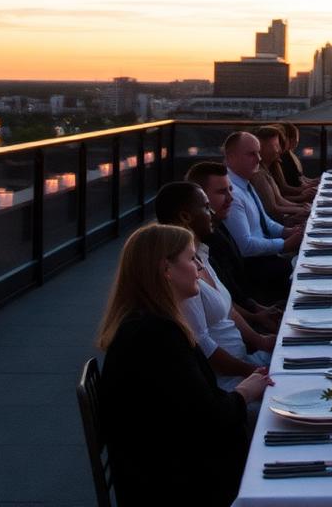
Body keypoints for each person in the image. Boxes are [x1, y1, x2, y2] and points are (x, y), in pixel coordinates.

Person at [97, 223, 270, 507]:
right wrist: (245, 392)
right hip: (179, 481)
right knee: (279, 425)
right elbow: (209, 417)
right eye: (192, 259)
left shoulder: (147, 324)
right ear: (166, 269)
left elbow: (193, 406)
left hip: (166, 464)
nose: (200, 268)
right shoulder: (156, 336)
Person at [152, 182, 275, 389]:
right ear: (185, 216)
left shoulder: (200, 255)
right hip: (228, 384)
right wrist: (253, 372)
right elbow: (203, 348)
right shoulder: (181, 276)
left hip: (245, 364)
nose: (212, 213)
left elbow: (229, 310)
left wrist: (260, 340)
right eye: (205, 207)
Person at [186, 160, 281, 332]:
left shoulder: (218, 227)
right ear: (201, 198)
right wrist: (256, 316)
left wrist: (257, 309)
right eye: (222, 192)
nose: (231, 198)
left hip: (252, 304)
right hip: (246, 319)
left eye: (230, 189)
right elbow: (225, 301)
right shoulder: (199, 245)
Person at [221, 131, 302, 301]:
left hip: (267, 257)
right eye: (252, 154)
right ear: (231, 157)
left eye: (258, 152)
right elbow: (246, 246)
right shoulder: (232, 193)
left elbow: (265, 222)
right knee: (305, 270)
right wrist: (285, 244)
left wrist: (288, 231)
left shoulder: (244, 182)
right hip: (255, 267)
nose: (259, 158)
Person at [251, 125, 311, 223]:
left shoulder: (268, 169)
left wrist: (302, 206)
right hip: (279, 223)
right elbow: (272, 209)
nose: (279, 150)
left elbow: (280, 200)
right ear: (260, 147)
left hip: (283, 220)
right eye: (275, 146)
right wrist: (302, 207)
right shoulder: (258, 175)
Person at [276, 121, 319, 194]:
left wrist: (314, 182)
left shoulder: (289, 154)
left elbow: (300, 177)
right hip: (295, 195)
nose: (297, 142)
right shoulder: (280, 158)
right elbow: (285, 189)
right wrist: (306, 191)